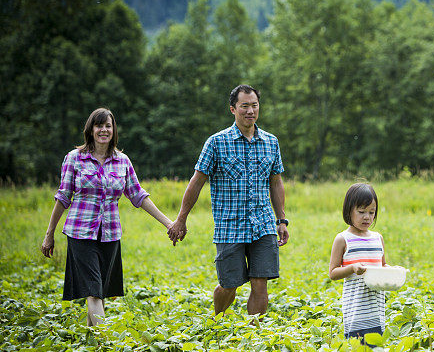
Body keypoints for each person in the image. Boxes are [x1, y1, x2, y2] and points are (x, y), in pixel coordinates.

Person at [41, 108, 173, 326]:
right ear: (90, 129)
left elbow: (138, 195)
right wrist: (49, 234)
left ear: (114, 130)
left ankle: (91, 344)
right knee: (93, 290)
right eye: (99, 125)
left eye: (108, 126)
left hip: (110, 234)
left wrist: (169, 222)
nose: (103, 130)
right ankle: (107, 342)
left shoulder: (122, 161)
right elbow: (63, 197)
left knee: (99, 290)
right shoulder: (74, 159)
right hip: (80, 232)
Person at [167, 84, 288, 317]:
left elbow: (276, 182)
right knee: (229, 285)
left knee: (260, 283)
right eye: (245, 106)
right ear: (233, 109)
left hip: (263, 224)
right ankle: (217, 318)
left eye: (254, 105)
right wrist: (181, 219)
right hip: (229, 226)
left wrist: (281, 219)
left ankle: (255, 338)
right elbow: (197, 181)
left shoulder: (271, 142)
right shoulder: (216, 143)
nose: (250, 111)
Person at [328, 183, 387, 340]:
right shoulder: (343, 239)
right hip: (355, 312)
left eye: (371, 212)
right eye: (361, 212)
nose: (367, 217)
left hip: (376, 309)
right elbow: (333, 273)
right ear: (349, 211)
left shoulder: (378, 238)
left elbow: (382, 267)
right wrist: (352, 268)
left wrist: (393, 271)